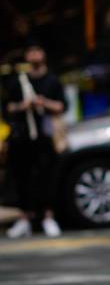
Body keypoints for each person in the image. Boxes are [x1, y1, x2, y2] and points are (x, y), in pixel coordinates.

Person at [5, 44, 66, 238]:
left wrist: (42, 102)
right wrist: (24, 106)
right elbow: (8, 108)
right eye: (30, 52)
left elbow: (62, 106)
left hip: (46, 138)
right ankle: (25, 219)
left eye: (37, 51)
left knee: (47, 178)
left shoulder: (52, 81)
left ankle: (48, 217)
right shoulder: (18, 82)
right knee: (22, 178)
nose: (34, 55)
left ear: (44, 54)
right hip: (22, 138)